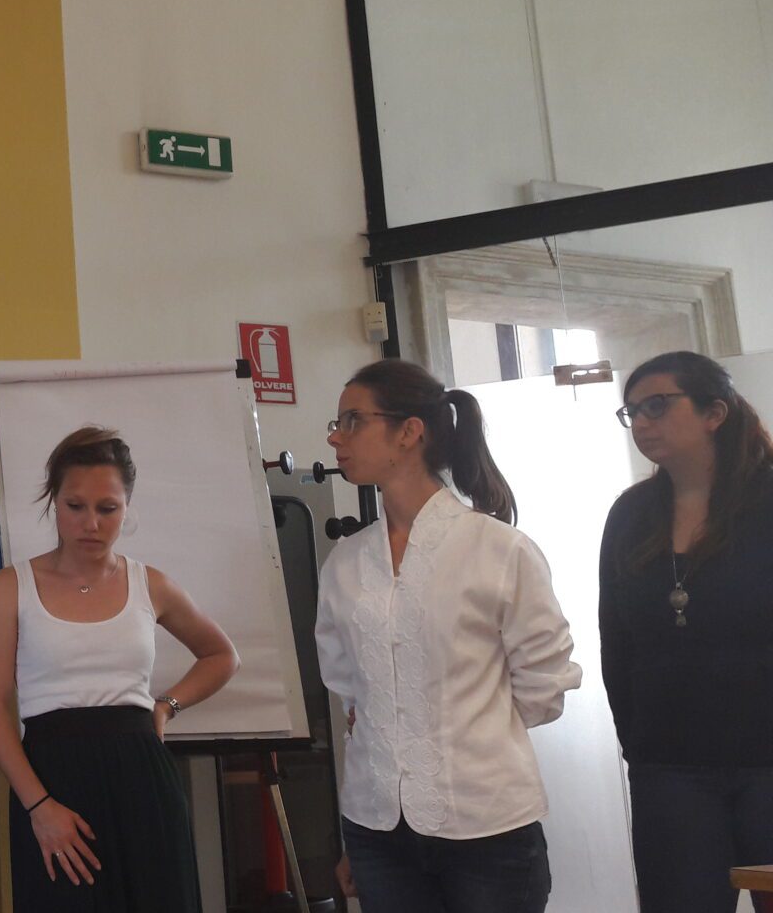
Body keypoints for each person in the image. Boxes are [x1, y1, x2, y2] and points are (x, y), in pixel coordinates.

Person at [314, 358, 581, 913]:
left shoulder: (498, 549)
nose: (337, 437)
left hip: (487, 826)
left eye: (354, 420)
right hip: (376, 825)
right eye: (337, 423)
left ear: (409, 432)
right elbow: (350, 690)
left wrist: (466, 733)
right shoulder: (345, 562)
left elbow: (544, 685)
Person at [0, 425, 239, 910]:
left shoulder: (150, 583)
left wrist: (166, 706)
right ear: (54, 501)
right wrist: (38, 805)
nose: (91, 523)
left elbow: (222, 655)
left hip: (143, 776)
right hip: (52, 778)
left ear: (126, 507)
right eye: (76, 506)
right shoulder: (11, 587)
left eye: (108, 508)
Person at [599, 351, 773, 913]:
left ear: (714, 413)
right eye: (632, 412)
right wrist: (640, 746)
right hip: (670, 767)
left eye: (657, 405)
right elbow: (616, 643)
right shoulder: (630, 516)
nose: (641, 422)